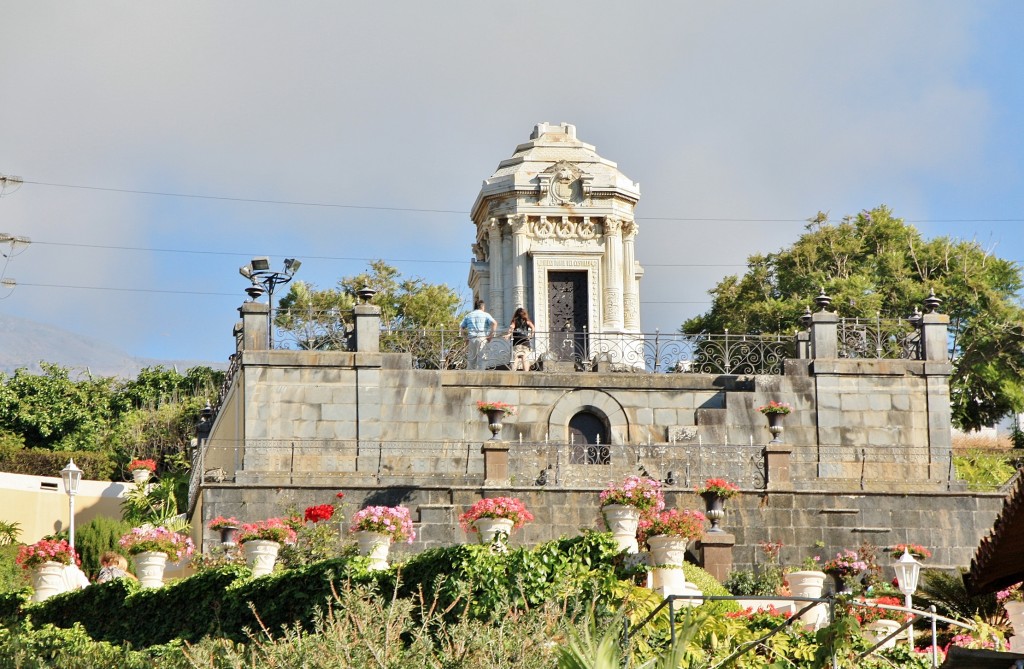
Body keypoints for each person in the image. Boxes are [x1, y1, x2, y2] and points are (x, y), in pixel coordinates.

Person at [460, 299, 497, 370]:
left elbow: (462, 326)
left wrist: (465, 338)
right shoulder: (485, 315)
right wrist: (490, 335)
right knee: (482, 360)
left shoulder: (468, 315)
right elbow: (494, 323)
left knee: (471, 360)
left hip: (472, 338)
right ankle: (481, 377)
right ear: (482, 306)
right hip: (482, 338)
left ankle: (470, 378)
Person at [507, 307, 536, 371]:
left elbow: (511, 328)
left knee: (516, 357)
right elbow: (533, 327)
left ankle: (513, 373)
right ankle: (526, 374)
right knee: (525, 357)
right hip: (525, 342)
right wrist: (531, 335)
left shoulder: (514, 321)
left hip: (517, 342)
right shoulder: (527, 321)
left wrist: (508, 335)